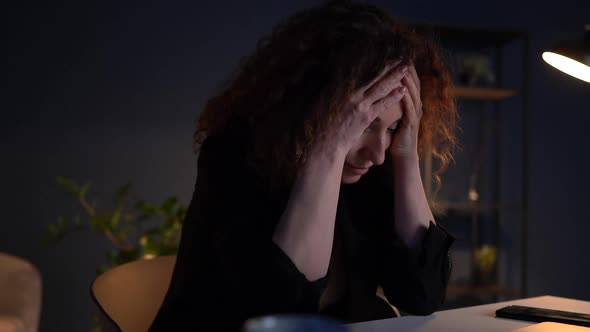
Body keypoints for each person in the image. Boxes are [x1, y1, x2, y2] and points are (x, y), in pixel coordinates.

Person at [150, 1, 458, 331]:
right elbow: (280, 312)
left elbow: (423, 293)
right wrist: (330, 148)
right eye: (365, 126)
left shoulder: (367, 171)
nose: (378, 153)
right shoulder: (234, 155)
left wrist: (407, 154)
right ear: (314, 107)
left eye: (393, 127)